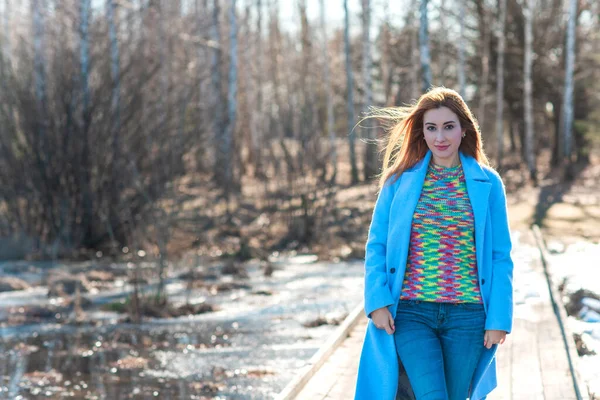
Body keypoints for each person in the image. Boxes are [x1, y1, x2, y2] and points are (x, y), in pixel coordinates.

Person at [354, 87, 514, 400]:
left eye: (448, 127)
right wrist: (376, 301)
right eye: (431, 128)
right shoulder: (398, 182)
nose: (440, 137)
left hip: (469, 315)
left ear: (464, 129)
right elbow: (377, 246)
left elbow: (500, 256)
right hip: (412, 313)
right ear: (422, 133)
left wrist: (499, 319)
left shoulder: (488, 183)